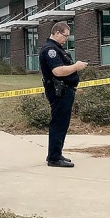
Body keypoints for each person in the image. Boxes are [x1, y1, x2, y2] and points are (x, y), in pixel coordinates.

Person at [39, 22, 88, 167]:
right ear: (57, 33)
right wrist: (77, 66)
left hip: (64, 90)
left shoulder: (57, 48)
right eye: (65, 36)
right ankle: (54, 157)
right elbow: (58, 71)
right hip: (59, 91)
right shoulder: (50, 50)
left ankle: (56, 154)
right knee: (59, 123)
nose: (66, 39)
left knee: (62, 123)